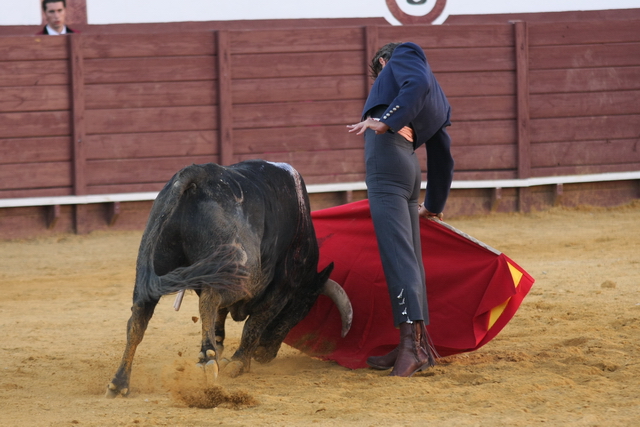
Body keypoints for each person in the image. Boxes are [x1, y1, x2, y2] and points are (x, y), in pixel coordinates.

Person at [347, 42, 454, 377]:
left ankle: (412, 347)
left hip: (387, 160)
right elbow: (443, 155)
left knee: (397, 256)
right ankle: (418, 343)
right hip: (409, 168)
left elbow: (415, 83)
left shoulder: (404, 54)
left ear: (382, 62)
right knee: (410, 258)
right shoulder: (439, 100)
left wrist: (386, 120)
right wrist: (434, 204)